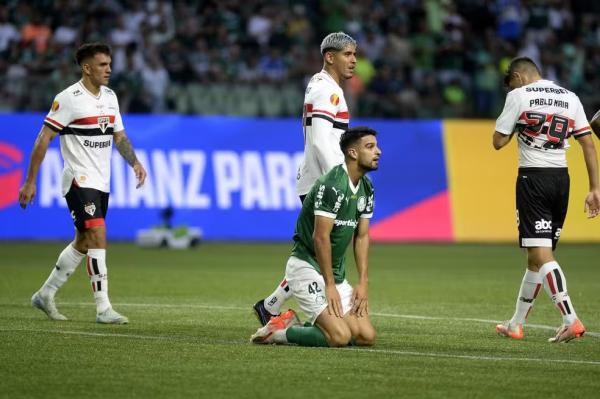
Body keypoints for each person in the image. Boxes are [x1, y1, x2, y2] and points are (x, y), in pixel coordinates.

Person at [18, 42, 147, 324]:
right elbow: (43, 138)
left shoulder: (111, 97)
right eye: (103, 65)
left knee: (84, 242)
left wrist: (134, 162)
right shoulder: (69, 99)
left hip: (101, 181)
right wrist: (30, 181)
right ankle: (103, 308)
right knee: (98, 234)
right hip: (78, 178)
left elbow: (120, 137)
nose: (109, 69)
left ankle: (45, 294)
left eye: (110, 64)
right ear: (86, 68)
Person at [492, 57, 600, 343]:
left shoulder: (518, 96)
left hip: (533, 179)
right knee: (535, 256)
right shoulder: (570, 97)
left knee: (542, 255)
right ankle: (516, 324)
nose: (511, 87)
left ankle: (570, 319)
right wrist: (594, 188)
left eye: (511, 82)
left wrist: (519, 123)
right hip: (562, 180)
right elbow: (588, 143)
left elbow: (498, 141)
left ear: (518, 75)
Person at [253, 31, 357, 326]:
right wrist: (338, 182)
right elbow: (321, 142)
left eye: (354, 55)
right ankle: (302, 307)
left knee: (316, 251)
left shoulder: (324, 86)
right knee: (319, 251)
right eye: (348, 54)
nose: (354, 61)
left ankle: (270, 306)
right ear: (330, 56)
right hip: (321, 182)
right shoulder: (326, 90)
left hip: (315, 179)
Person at [250, 126, 380, 347]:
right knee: (340, 337)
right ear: (353, 153)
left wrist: (363, 282)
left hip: (336, 274)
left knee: (366, 337)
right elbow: (320, 237)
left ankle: (314, 325)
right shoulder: (333, 185)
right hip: (306, 268)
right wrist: (329, 286)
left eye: (376, 146)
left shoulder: (366, 187)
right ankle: (280, 332)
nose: (378, 151)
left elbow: (362, 237)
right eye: (370, 147)